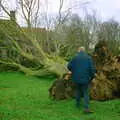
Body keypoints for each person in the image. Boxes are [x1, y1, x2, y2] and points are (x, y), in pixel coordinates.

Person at [67, 46, 96, 113]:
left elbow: (68, 66)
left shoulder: (74, 57)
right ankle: (86, 108)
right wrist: (92, 77)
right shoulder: (88, 58)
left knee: (77, 90)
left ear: (78, 50)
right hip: (86, 79)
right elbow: (92, 69)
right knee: (86, 93)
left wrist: (73, 70)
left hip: (76, 78)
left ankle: (77, 104)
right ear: (84, 51)